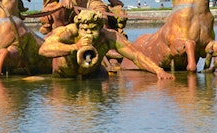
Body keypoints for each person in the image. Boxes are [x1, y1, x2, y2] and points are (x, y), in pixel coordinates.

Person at [40, 9, 172, 80]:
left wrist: (158, 71)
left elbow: (135, 56)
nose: (88, 33)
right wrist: (75, 47)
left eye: (92, 29)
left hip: (91, 78)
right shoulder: (68, 32)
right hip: (63, 80)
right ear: (78, 27)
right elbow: (44, 49)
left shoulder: (109, 36)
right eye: (84, 29)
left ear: (100, 28)